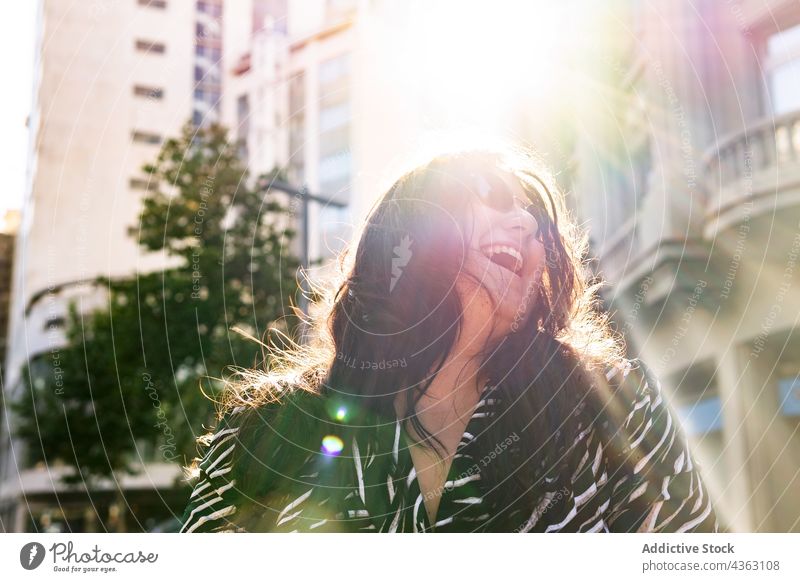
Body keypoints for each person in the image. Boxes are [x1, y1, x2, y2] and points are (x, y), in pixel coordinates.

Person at [179, 149, 719, 533]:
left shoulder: (611, 404)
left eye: (535, 223)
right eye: (495, 201)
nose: (527, 227)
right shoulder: (270, 428)